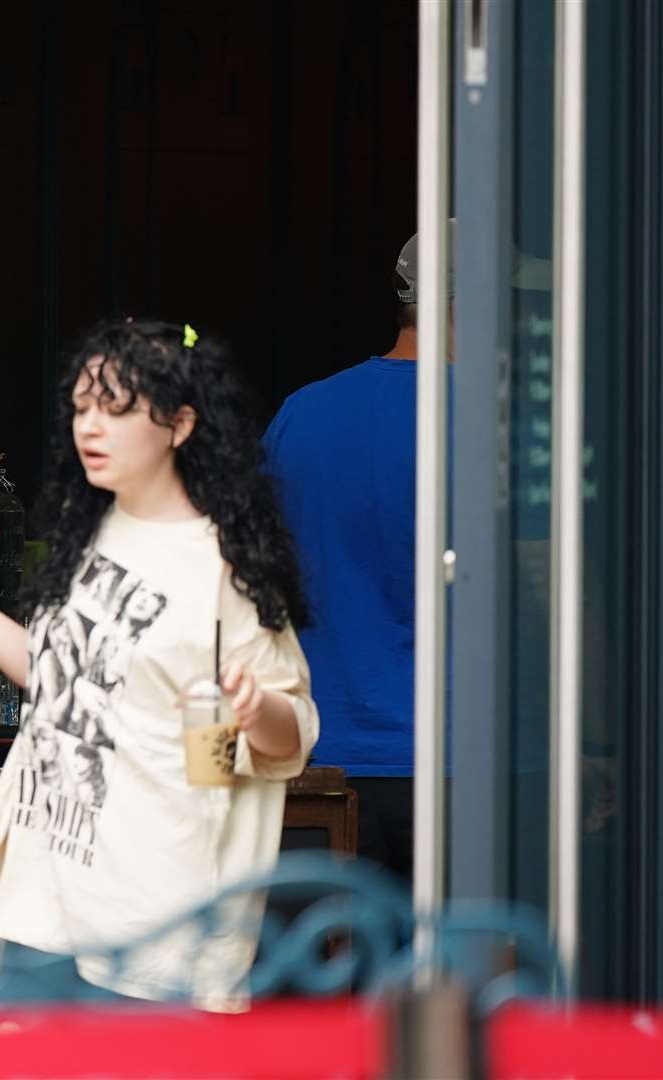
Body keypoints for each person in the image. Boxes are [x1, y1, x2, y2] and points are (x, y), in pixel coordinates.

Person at [0, 318, 317, 1010]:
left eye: (114, 408)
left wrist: (255, 710)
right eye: (81, 407)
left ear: (179, 424)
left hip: (151, 933)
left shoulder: (222, 570)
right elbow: (59, 680)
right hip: (40, 900)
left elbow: (287, 742)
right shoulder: (97, 533)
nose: (90, 427)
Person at [259, 228, 451, 882]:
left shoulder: (299, 416)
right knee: (470, 980)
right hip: (471, 773)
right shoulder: (503, 420)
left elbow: (247, 587)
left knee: (325, 974)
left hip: (320, 762)